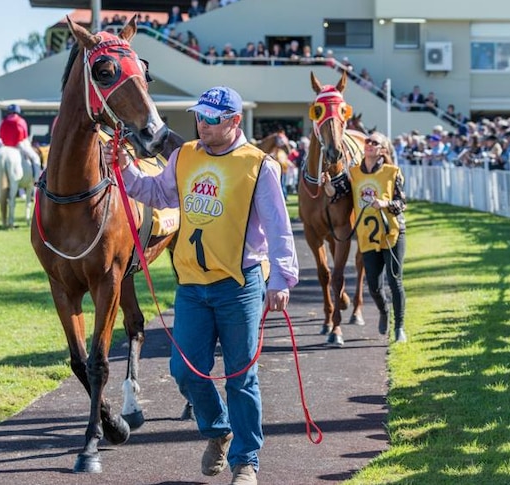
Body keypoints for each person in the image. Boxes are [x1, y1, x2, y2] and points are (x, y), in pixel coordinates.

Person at [102, 86, 299, 485]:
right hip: (191, 285)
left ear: (233, 121)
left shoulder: (258, 166)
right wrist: (126, 169)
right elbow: (157, 193)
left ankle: (246, 463)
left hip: (239, 284)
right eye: (199, 117)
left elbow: (279, 228)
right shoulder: (185, 154)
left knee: (241, 376)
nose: (202, 125)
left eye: (212, 119)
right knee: (185, 371)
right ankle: (218, 430)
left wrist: (282, 277)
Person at [320, 131, 408, 343]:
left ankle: (399, 327)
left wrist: (385, 204)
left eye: (374, 142)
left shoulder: (392, 172)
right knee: (374, 286)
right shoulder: (354, 173)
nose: (368, 144)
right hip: (367, 235)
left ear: (382, 150)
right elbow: (337, 193)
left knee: (395, 281)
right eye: (367, 141)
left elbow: (401, 203)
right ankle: (384, 311)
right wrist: (328, 185)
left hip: (392, 233)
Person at [0, 104, 40, 180]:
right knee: (35, 158)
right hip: (18, 145)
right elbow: (25, 136)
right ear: (18, 112)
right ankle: (36, 182)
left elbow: (0, 135)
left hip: (5, 146)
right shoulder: (21, 121)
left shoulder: (3, 122)